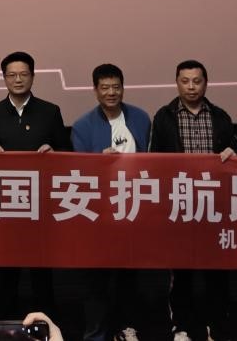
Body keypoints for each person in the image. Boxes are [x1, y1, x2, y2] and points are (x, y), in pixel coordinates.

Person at [149, 60, 237, 341]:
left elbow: (236, 153)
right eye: (185, 81)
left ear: (206, 83)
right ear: (177, 83)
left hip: (215, 205)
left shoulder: (221, 116)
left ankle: (216, 327)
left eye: (197, 81)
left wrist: (233, 152)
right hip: (179, 204)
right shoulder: (164, 117)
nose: (191, 87)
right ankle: (183, 327)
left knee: (216, 273)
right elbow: (154, 161)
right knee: (181, 273)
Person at [71, 64, 161, 341]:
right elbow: (77, 172)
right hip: (98, 212)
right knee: (96, 279)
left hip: (134, 207)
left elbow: (153, 160)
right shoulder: (82, 126)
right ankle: (96, 333)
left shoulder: (141, 117)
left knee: (130, 276)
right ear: (95, 90)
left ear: (123, 88)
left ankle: (127, 328)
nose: (111, 92)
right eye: (105, 87)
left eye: (116, 87)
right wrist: (99, 162)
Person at [0, 52, 69, 316]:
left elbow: (67, 151)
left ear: (32, 76)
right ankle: (6, 325)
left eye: (23, 74)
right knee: (6, 271)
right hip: (6, 204)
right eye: (12, 75)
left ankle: (46, 325)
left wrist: (53, 151)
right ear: (4, 78)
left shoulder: (50, 111)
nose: (18, 80)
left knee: (42, 271)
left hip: (41, 203)